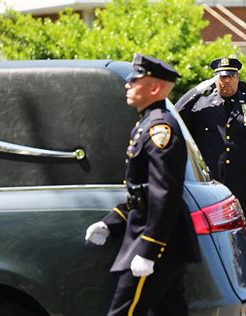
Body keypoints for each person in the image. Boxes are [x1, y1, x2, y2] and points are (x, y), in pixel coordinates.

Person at [85, 53, 200, 316]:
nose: (127, 84)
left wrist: (149, 249)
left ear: (155, 87)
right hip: (158, 240)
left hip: (155, 244)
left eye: (134, 80)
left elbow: (165, 193)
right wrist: (111, 222)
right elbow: (143, 193)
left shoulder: (160, 128)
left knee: (122, 311)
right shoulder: (147, 124)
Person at [175, 57, 246, 254]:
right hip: (213, 185)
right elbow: (177, 112)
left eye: (230, 76)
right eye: (221, 77)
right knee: (215, 242)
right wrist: (196, 90)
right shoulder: (201, 106)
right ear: (215, 79)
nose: (226, 80)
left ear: (237, 78)